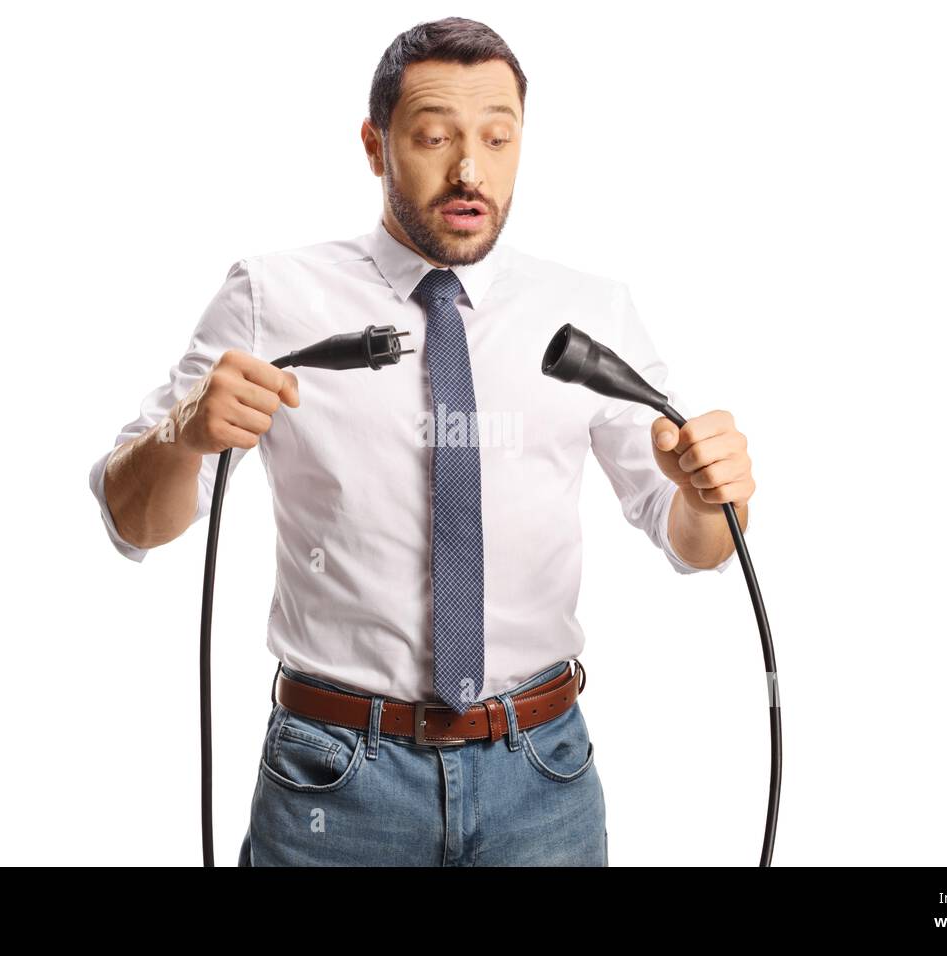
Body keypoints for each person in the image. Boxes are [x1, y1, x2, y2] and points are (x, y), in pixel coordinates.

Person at [87, 16, 754, 866]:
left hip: (543, 775)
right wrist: (183, 436)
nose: (470, 170)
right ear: (375, 145)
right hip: (335, 779)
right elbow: (130, 521)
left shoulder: (589, 312)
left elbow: (694, 543)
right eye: (435, 137)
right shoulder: (271, 297)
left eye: (498, 139)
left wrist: (710, 496)